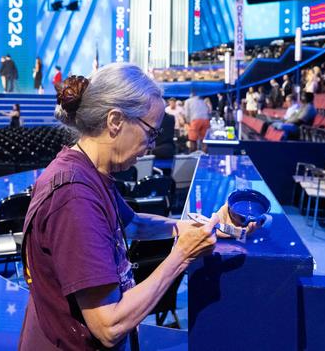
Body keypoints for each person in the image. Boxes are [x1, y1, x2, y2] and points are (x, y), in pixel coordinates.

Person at [19, 64, 257, 350]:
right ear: (116, 121)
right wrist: (182, 255)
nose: (151, 146)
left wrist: (201, 225)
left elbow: (131, 224)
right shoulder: (74, 197)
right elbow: (109, 325)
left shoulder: (87, 170)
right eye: (150, 132)